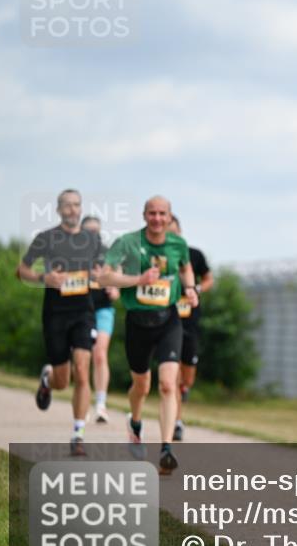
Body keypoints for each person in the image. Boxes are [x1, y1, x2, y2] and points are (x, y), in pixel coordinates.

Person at [98, 196, 198, 474]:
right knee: (141, 386)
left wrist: (190, 288)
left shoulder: (178, 244)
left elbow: (186, 268)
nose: (157, 218)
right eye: (152, 213)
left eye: (162, 213)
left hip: (169, 320)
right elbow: (104, 277)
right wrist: (137, 280)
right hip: (138, 322)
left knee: (167, 384)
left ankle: (166, 449)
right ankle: (135, 423)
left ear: (169, 217)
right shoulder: (127, 243)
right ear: (144, 215)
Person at [16, 189, 103, 456]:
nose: (73, 210)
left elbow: (104, 269)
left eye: (77, 205)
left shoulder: (92, 240)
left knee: (82, 369)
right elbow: (21, 270)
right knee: (63, 381)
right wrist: (44, 278)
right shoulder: (46, 238)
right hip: (55, 313)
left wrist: (102, 275)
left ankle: (78, 434)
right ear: (58, 210)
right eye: (67, 205)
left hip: (83, 312)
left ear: (81, 208)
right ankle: (48, 379)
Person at [166, 214, 214, 441]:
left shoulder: (194, 255)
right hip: (167, 322)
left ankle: (185, 389)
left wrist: (197, 289)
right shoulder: (158, 259)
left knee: (187, 377)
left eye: (174, 232)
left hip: (190, 322)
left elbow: (208, 279)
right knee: (172, 377)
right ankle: (177, 422)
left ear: (180, 233)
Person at [80, 215, 120, 424]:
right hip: (80, 311)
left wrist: (112, 288)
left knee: (100, 354)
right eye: (88, 231)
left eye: (96, 231)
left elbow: (117, 290)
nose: (92, 235)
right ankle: (82, 402)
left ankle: (101, 405)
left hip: (103, 310)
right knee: (82, 357)